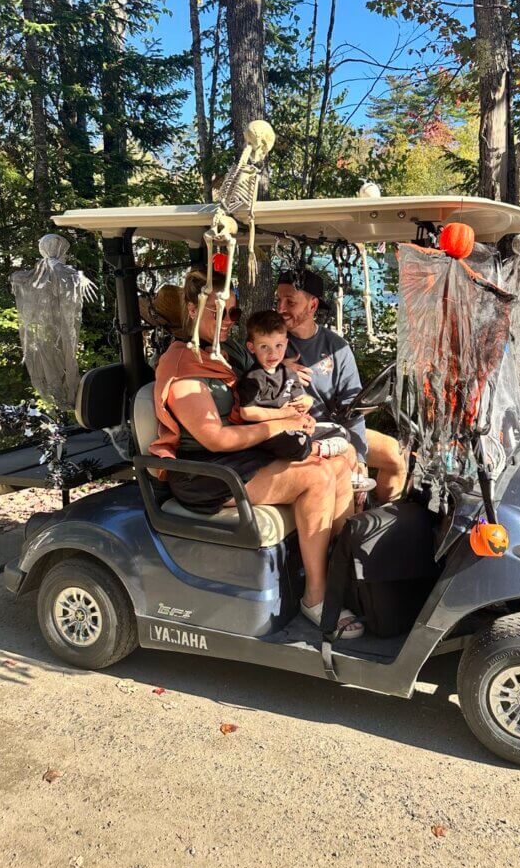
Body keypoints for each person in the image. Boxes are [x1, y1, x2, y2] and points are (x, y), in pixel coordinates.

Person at [150, 268, 363, 638]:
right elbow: (215, 439)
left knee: (339, 463)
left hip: (242, 458)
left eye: (233, 312)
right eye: (220, 312)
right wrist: (280, 424)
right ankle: (315, 597)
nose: (229, 321)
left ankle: (343, 575)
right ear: (192, 310)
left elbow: (261, 376)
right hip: (206, 473)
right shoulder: (182, 364)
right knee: (316, 476)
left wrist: (288, 383)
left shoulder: (224, 353)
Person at [276, 269, 408, 503]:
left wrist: (360, 456)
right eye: (278, 300)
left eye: (290, 302)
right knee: (348, 463)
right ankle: (352, 517)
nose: (280, 308)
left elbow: (352, 405)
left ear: (313, 305)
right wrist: (279, 371)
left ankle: (383, 516)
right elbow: (252, 381)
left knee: (394, 454)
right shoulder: (271, 340)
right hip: (299, 430)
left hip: (335, 428)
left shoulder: (336, 346)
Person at [236, 309, 353, 463]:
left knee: (341, 431)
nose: (273, 353)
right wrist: (284, 413)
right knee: (296, 442)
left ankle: (311, 444)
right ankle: (315, 448)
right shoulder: (253, 378)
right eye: (264, 347)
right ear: (252, 348)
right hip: (267, 432)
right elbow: (247, 412)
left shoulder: (288, 372)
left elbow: (299, 404)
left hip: (292, 427)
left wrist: (307, 418)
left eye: (278, 345)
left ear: (286, 344)